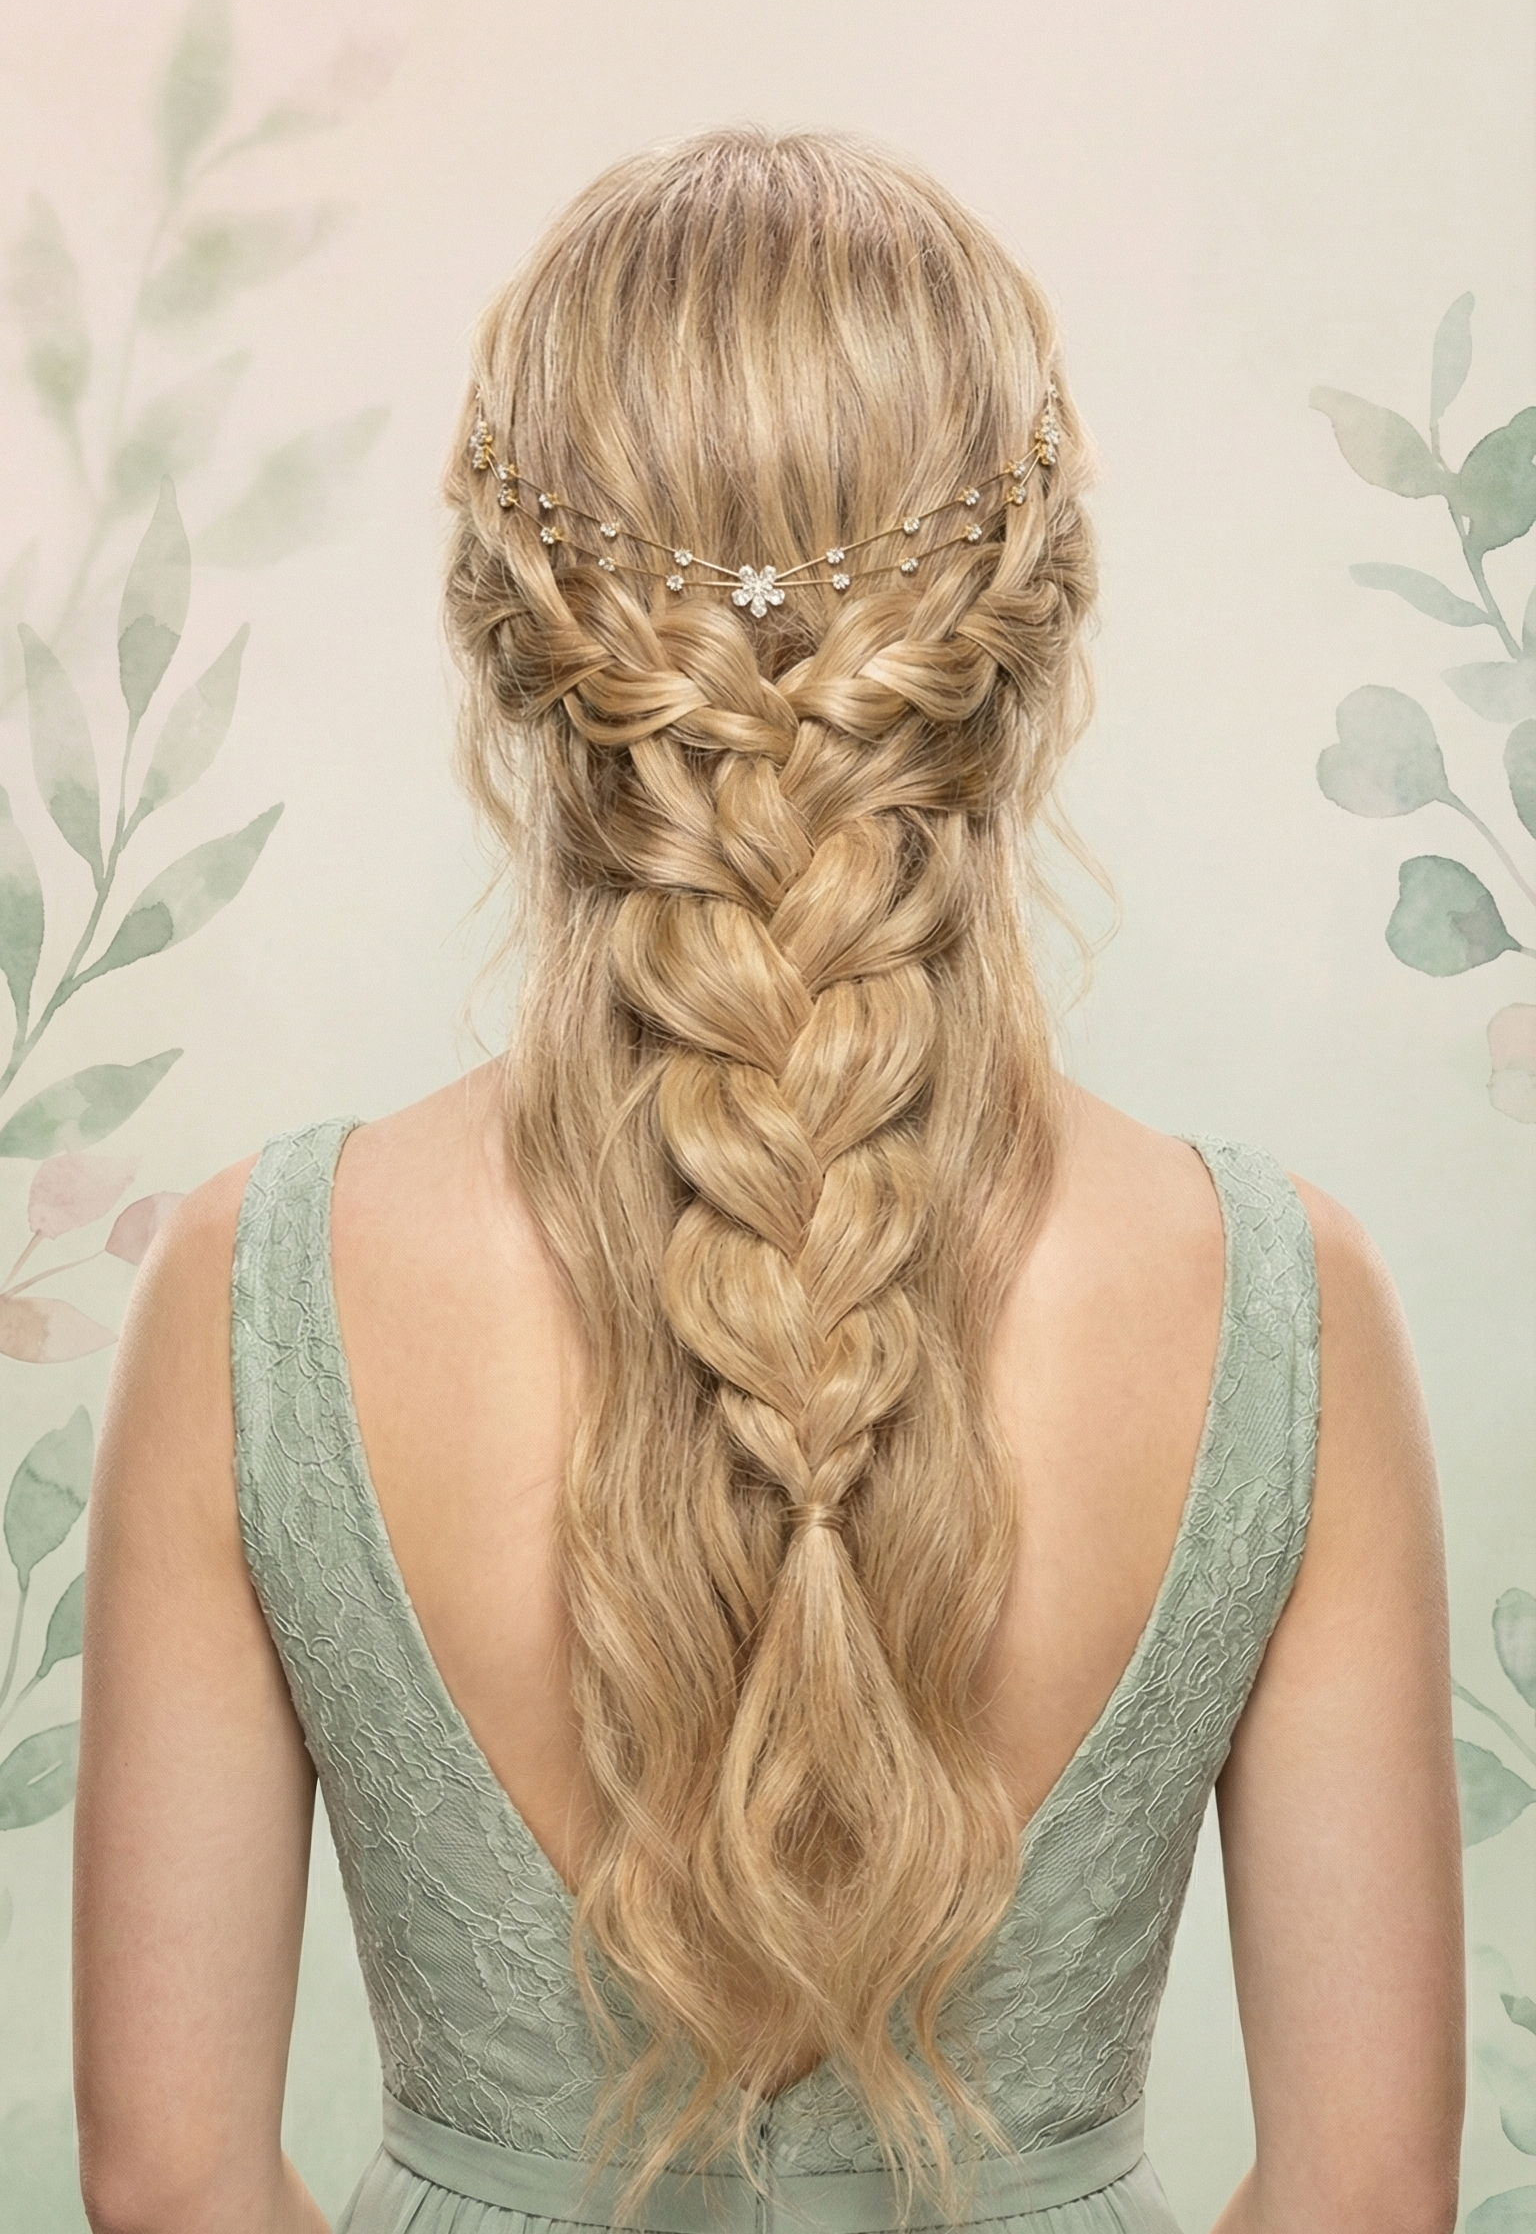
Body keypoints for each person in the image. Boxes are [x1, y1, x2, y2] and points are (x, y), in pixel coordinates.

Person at [71, 129, 1464, 2234]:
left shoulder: (260, 1286)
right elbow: (1367, 2189)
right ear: (1021, 627)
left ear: (514, 632)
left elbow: (172, 2182)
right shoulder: (1278, 1297)